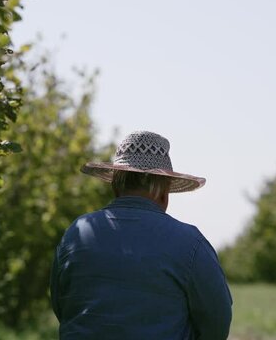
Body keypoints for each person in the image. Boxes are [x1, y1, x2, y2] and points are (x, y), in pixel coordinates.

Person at [50, 130, 232, 340]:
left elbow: (62, 306)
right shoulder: (191, 243)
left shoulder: (77, 233)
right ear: (163, 193)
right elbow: (217, 325)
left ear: (116, 186)